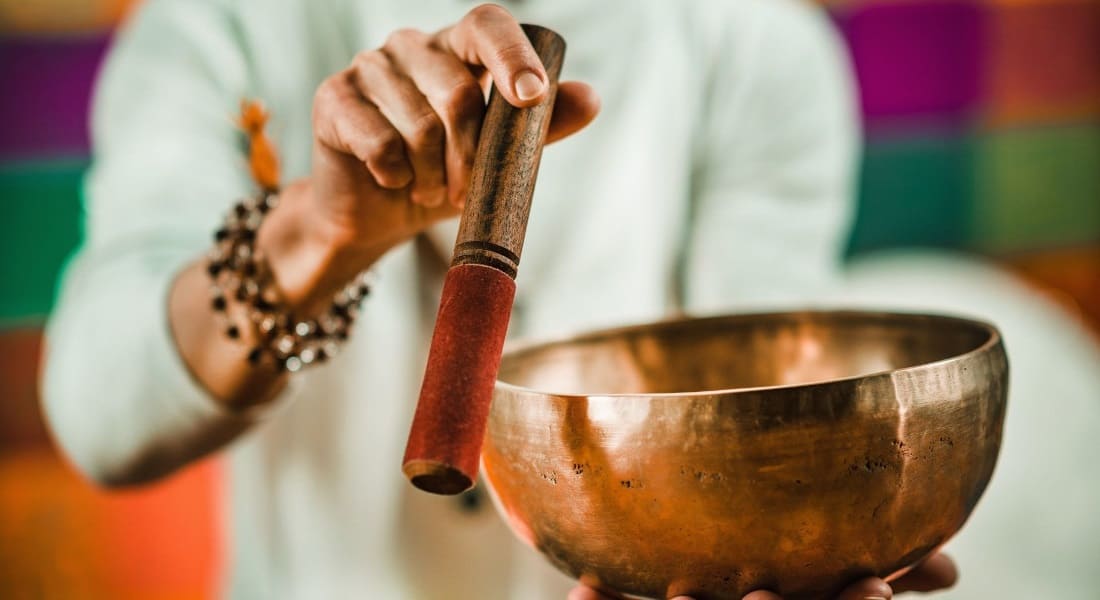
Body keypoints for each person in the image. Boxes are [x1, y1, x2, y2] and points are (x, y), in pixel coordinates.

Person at [42, 0, 956, 597]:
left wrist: (796, 538)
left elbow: (754, 417)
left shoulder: (756, 47)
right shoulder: (223, 23)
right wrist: (319, 234)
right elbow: (102, 418)